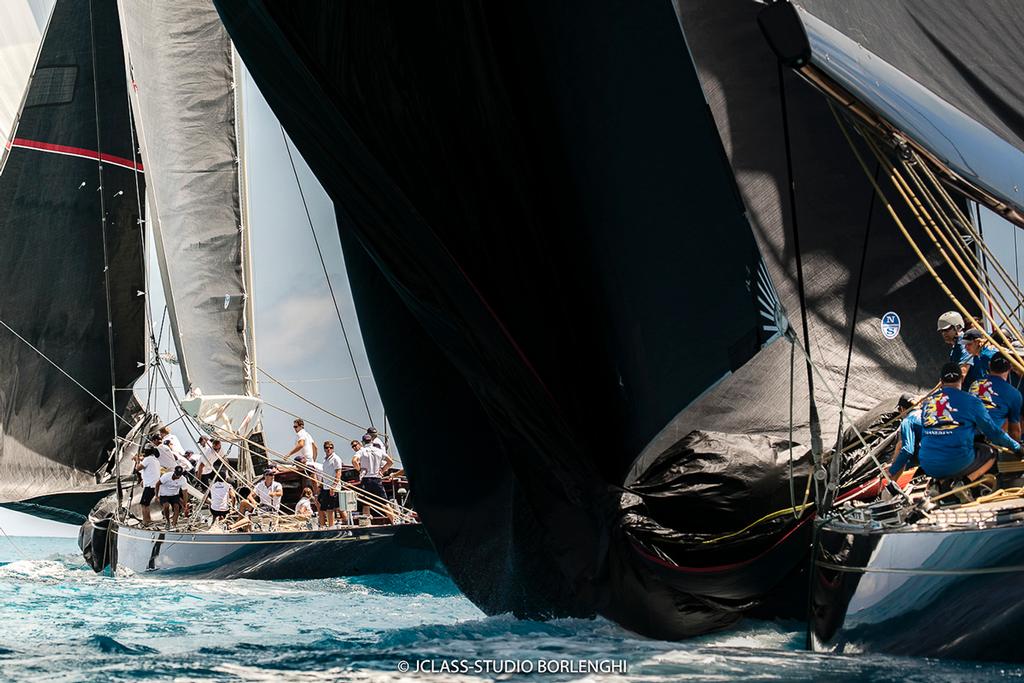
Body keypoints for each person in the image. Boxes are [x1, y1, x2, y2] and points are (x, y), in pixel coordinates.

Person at [918, 363, 1021, 483]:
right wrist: (1017, 447)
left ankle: (940, 482)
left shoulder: (927, 402)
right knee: (990, 452)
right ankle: (964, 483)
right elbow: (994, 433)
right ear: (962, 379)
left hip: (927, 464)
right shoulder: (971, 401)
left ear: (941, 381)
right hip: (955, 462)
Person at [969, 353, 1023, 441]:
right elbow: (1014, 431)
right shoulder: (1014, 394)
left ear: (989, 365)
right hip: (987, 441)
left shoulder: (975, 384)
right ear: (1010, 368)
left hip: (967, 435)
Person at [353, 434, 395, 523]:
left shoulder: (362, 451)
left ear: (363, 442)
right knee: (385, 503)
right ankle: (395, 521)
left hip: (366, 480)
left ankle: (366, 525)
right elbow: (390, 462)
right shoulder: (379, 451)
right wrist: (382, 470)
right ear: (371, 441)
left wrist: (360, 469)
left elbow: (354, 461)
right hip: (377, 479)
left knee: (366, 504)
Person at [888, 394, 923, 478]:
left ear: (902, 409)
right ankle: (894, 467)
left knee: (902, 450)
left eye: (899, 409)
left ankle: (891, 481)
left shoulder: (908, 421)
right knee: (901, 445)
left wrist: (892, 470)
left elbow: (907, 451)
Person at [318, 441, 346, 527]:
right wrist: (321, 485)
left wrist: (334, 486)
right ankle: (345, 521)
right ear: (324, 449)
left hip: (333, 487)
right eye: (326, 447)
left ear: (333, 448)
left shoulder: (336, 458)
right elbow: (324, 473)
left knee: (331, 509)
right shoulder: (325, 460)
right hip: (326, 487)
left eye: (330, 447)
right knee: (329, 507)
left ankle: (331, 527)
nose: (328, 449)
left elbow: (338, 473)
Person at [938, 311, 971, 378]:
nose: (944, 333)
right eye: (942, 331)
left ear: (958, 327)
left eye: (947, 329)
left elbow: (962, 373)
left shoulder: (965, 345)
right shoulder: (957, 346)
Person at [134, 446, 161, 525]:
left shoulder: (148, 459)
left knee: (144, 504)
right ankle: (148, 519)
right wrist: (143, 480)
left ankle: (145, 520)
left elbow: (138, 468)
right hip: (154, 485)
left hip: (150, 486)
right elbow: (151, 472)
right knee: (147, 503)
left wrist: (137, 461)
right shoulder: (155, 460)